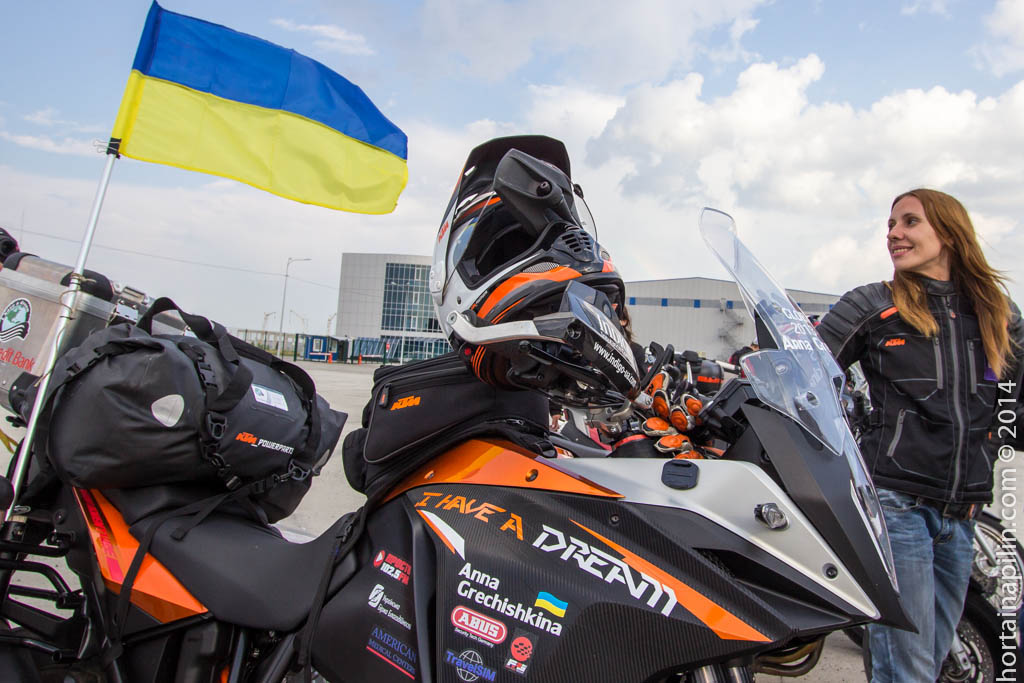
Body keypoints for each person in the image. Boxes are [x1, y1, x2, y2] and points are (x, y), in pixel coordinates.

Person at [817, 189, 1024, 682]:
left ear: (949, 233)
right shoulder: (873, 304)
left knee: (926, 664)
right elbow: (806, 375)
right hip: (896, 504)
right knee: (906, 670)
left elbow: (1014, 400)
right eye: (891, 225)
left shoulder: (999, 313)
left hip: (963, 512)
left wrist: (988, 448)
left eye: (910, 222)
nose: (894, 233)